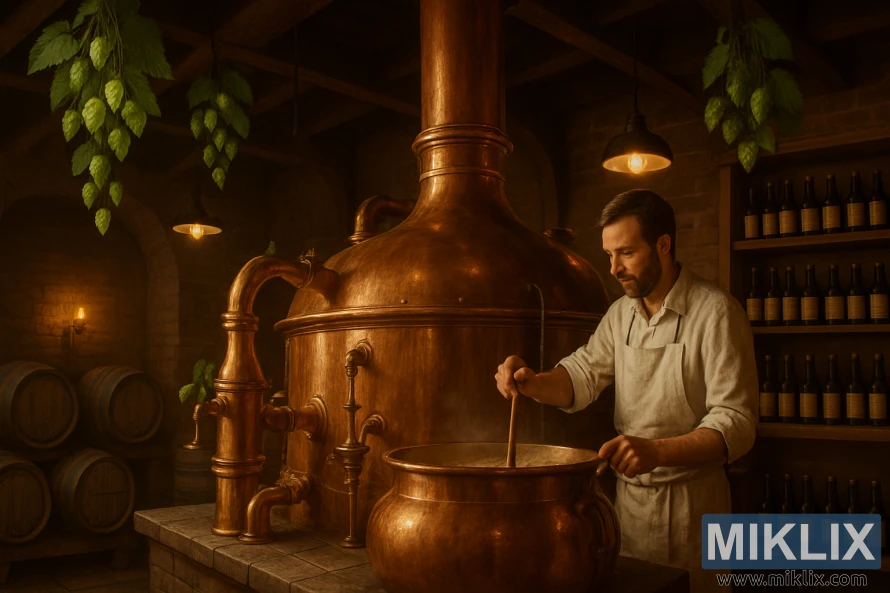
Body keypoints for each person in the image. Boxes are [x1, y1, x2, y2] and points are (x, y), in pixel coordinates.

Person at [494, 189, 757, 593]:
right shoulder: (621, 314)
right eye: (609, 255)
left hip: (695, 512)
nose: (614, 268)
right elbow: (580, 377)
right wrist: (530, 382)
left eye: (627, 253)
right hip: (630, 511)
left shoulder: (717, 312)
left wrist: (657, 451)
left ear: (663, 245)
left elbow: (736, 424)